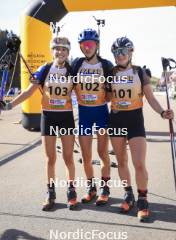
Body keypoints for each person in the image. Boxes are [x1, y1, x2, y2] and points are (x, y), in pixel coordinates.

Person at [0, 37, 77, 211]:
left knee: (68, 157)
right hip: (48, 117)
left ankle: (71, 192)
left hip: (66, 117)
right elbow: (28, 92)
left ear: (68, 52)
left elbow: (81, 94)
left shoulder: (73, 71)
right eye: (57, 49)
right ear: (52, 51)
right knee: (50, 158)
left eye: (64, 49)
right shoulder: (45, 69)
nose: (60, 52)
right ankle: (50, 193)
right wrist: (10, 104)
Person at [108, 37, 174, 221]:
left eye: (123, 51)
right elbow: (102, 97)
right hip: (116, 122)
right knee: (121, 162)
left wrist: (162, 112)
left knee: (138, 163)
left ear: (130, 53)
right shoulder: (110, 73)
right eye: (116, 52)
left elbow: (151, 98)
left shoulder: (140, 72)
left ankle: (143, 199)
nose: (119, 55)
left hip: (135, 121)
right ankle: (128, 193)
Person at [72, 28, 113, 205]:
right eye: (83, 45)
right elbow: (66, 83)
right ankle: (91, 188)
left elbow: (112, 92)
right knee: (86, 155)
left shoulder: (106, 65)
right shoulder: (76, 63)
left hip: (101, 112)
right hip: (84, 114)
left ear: (96, 45)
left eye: (90, 44)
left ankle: (105, 188)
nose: (86, 48)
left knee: (102, 152)